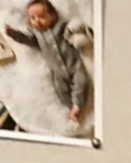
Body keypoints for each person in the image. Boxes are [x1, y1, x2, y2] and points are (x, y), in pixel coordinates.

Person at [5, 0, 87, 128]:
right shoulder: (37, 35)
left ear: (52, 16)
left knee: (81, 81)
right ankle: (71, 108)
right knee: (60, 90)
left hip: (73, 65)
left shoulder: (60, 27)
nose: (37, 20)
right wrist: (14, 34)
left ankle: (78, 104)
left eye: (41, 16)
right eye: (33, 18)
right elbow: (28, 40)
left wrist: (76, 31)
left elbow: (73, 28)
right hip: (57, 72)